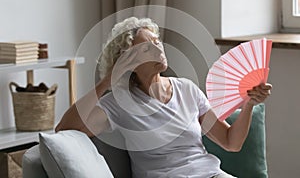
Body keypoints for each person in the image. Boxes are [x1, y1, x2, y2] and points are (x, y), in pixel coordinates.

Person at [55, 17, 272, 178]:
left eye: (157, 41)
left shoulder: (187, 90)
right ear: (128, 62)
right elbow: (64, 129)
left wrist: (249, 104)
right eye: (147, 47)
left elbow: (230, 142)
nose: (158, 47)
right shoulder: (119, 104)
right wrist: (107, 81)